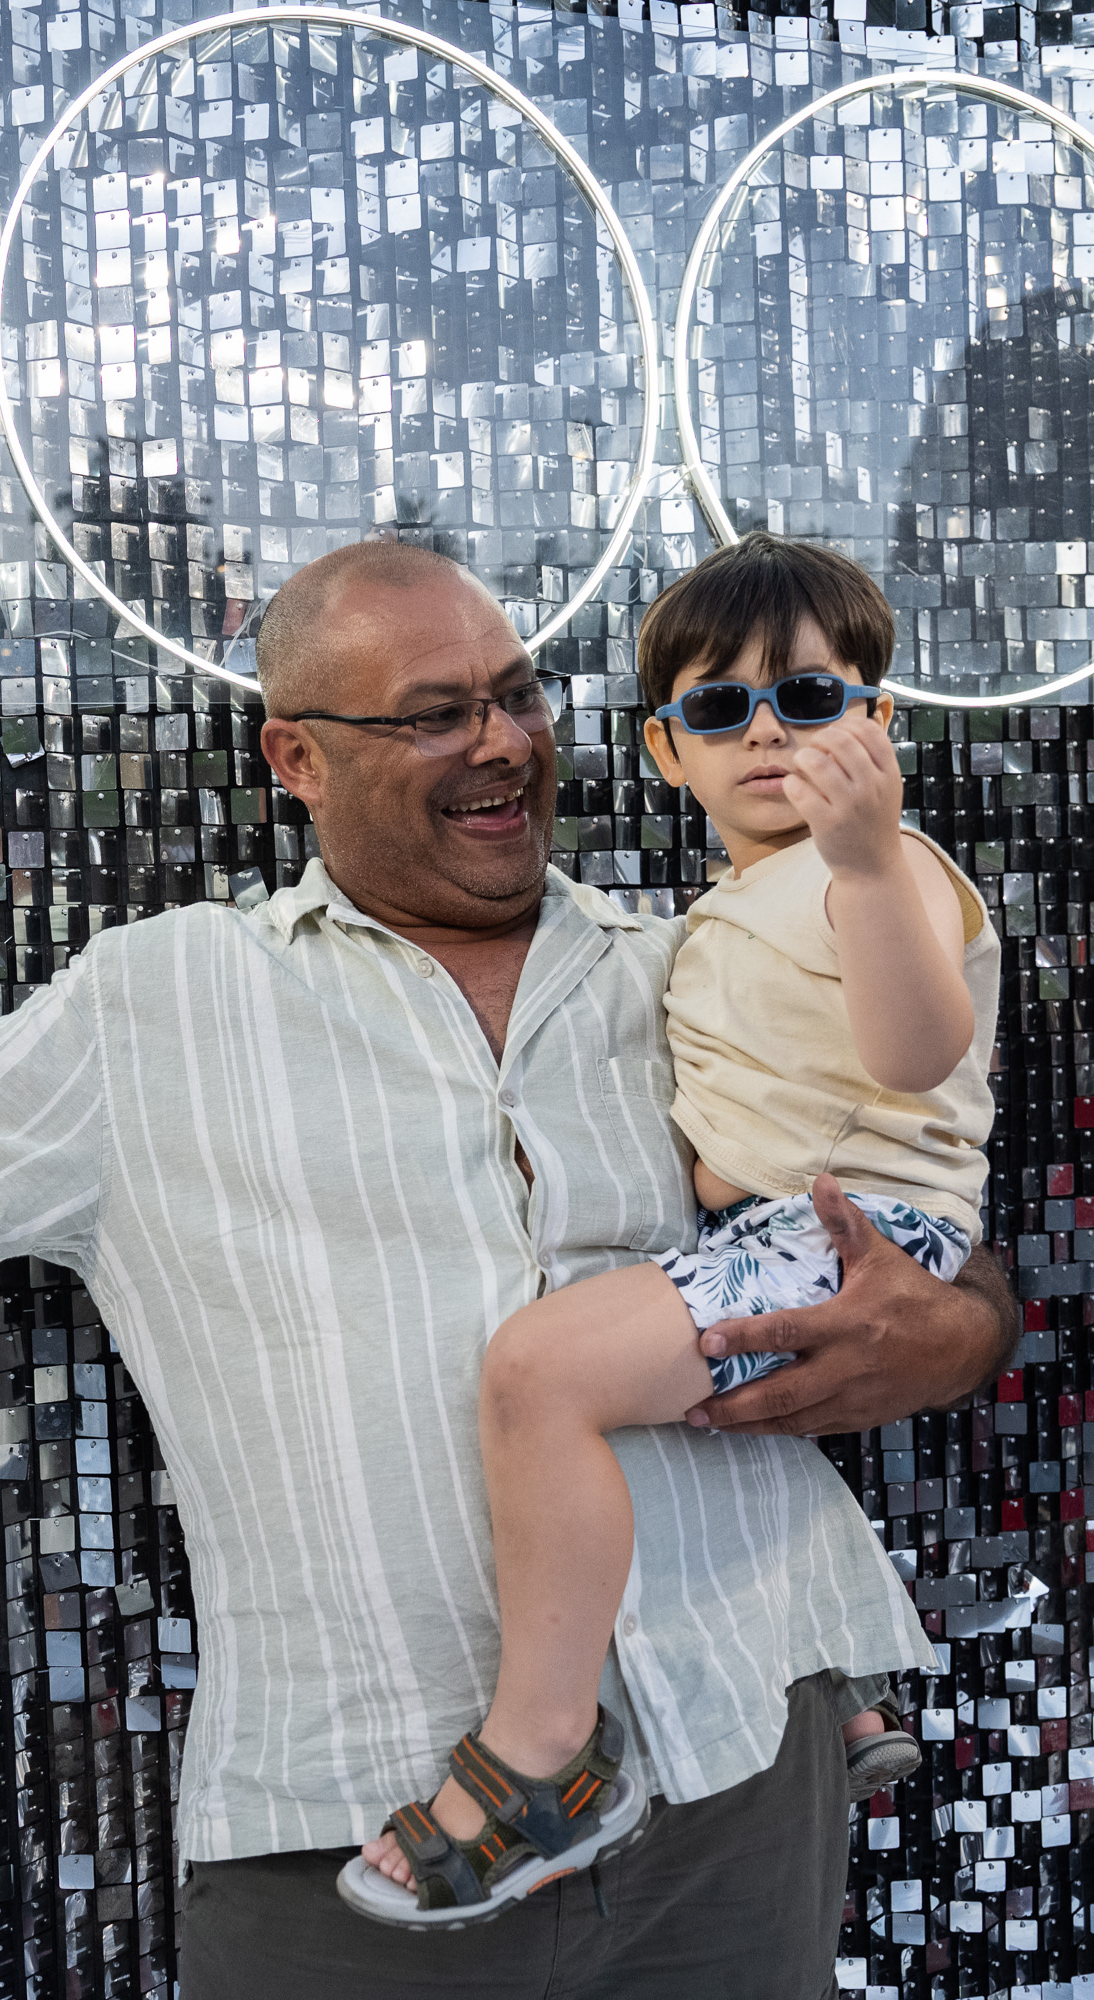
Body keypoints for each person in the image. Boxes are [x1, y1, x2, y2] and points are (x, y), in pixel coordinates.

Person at [0, 536, 1018, 2000]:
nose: (500, 745)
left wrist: (954, 1334)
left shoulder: (684, 961)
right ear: (297, 759)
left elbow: (907, 1189)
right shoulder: (164, 1000)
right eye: (433, 715)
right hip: (353, 1821)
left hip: (738, 1785)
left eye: (516, 696)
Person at [338, 536, 998, 1929]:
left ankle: (539, 1757)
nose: (768, 730)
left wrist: (874, 866)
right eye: (721, 710)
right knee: (659, 1407)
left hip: (852, 1230)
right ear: (663, 752)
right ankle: (842, 1672)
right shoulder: (737, 902)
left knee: (543, 1375)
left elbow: (920, 1044)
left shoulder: (872, 874)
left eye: (813, 701)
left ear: (879, 725)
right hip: (796, 1221)